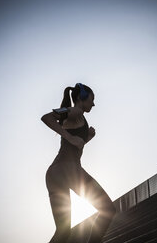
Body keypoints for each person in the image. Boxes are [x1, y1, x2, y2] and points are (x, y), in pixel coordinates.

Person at [41, 83, 116, 243]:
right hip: (68, 170)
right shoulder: (75, 111)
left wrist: (87, 137)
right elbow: (47, 118)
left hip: (55, 173)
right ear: (82, 98)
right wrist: (70, 137)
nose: (93, 103)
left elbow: (76, 146)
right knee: (108, 209)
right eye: (91, 99)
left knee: (63, 231)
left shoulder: (79, 117)